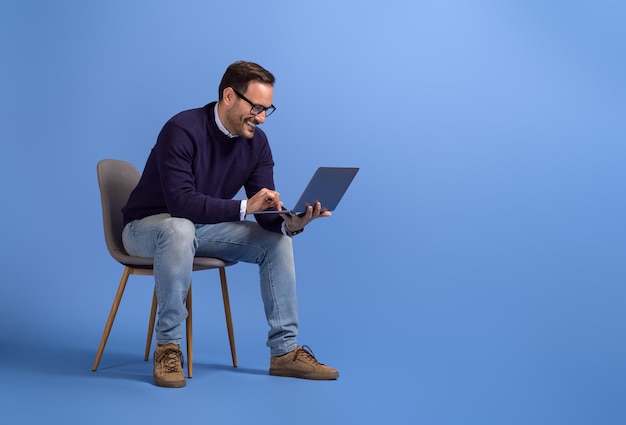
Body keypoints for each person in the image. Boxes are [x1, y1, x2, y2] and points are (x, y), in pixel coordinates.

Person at [121, 60, 339, 388]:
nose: (262, 117)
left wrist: (290, 223)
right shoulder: (181, 129)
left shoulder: (257, 144)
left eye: (268, 109)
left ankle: (284, 352)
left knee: (277, 242)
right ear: (228, 96)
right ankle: (168, 347)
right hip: (146, 227)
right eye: (256, 107)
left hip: (201, 228)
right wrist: (243, 207)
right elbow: (181, 204)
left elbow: (263, 212)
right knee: (178, 227)